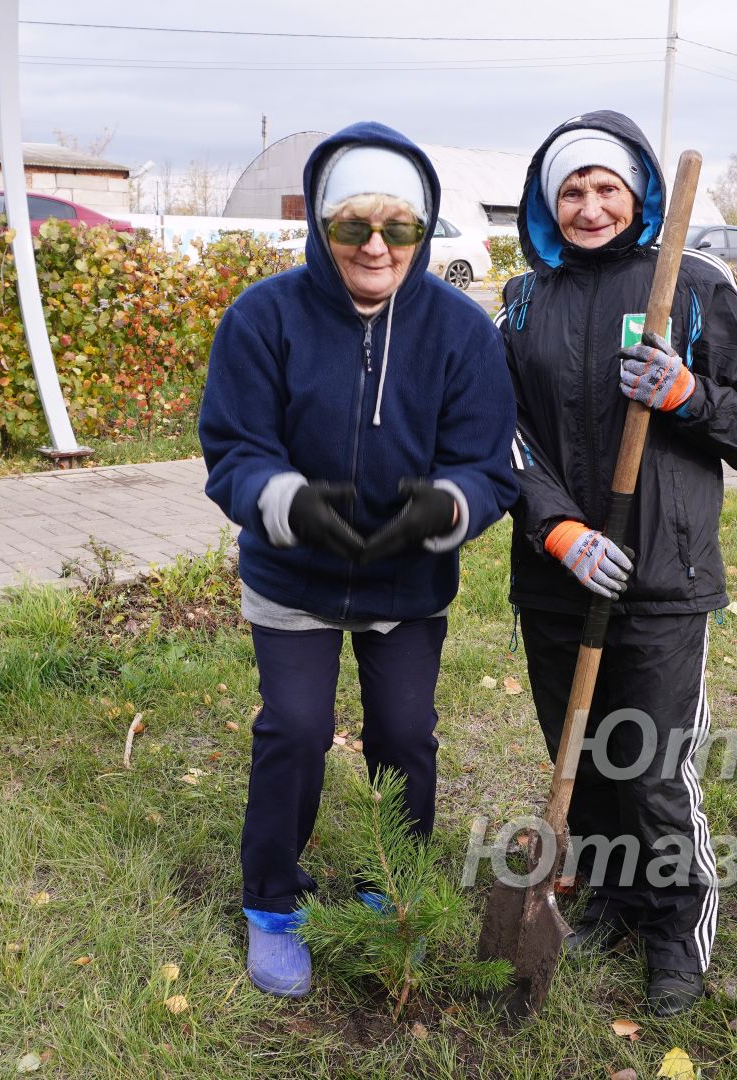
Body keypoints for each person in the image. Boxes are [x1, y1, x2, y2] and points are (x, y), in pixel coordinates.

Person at [198, 122, 518, 998]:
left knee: (405, 737)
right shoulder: (263, 319)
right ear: (321, 230)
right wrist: (288, 503)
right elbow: (232, 450)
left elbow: (490, 464)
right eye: (353, 228)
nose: (377, 247)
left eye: (399, 229)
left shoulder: (461, 333)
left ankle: (391, 896)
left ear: (423, 231)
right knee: (295, 731)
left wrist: (445, 507)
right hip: (292, 576)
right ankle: (272, 904)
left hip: (407, 582)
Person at [496, 110, 737, 1016]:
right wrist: (558, 531)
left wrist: (687, 394)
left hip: (663, 579)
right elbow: (493, 434)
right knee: (579, 759)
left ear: (638, 194)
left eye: (606, 188)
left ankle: (675, 935)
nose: (590, 206)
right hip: (557, 577)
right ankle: (617, 907)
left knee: (655, 770)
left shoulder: (693, 286)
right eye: (573, 190)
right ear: (550, 204)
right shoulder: (521, 300)